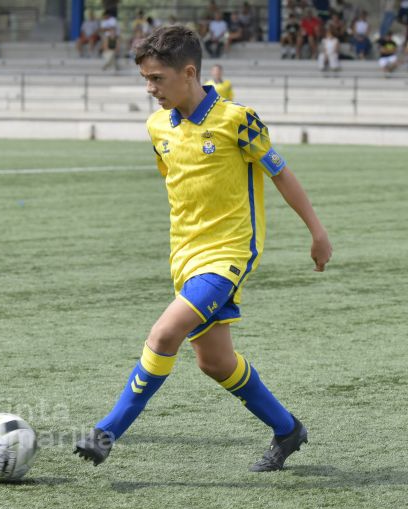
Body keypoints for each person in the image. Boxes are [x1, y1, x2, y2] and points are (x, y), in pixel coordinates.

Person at [74, 25, 332, 472]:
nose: (150, 89)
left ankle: (107, 432)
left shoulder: (237, 120)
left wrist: (317, 232)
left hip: (229, 253)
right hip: (184, 257)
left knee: (163, 335)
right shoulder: (157, 126)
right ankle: (287, 429)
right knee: (215, 362)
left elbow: (280, 173)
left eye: (157, 78)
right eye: (146, 79)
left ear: (189, 72)